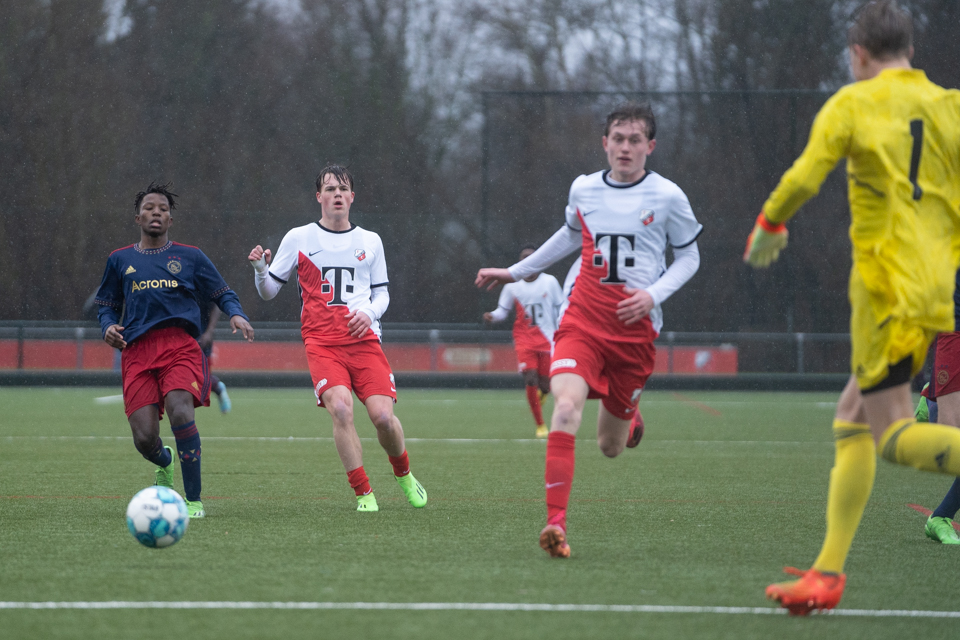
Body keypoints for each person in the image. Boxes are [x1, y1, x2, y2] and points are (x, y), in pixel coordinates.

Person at [743, 1, 960, 614]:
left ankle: (828, 576)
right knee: (851, 419)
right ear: (911, 51)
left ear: (857, 52)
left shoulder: (853, 103)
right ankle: (828, 573)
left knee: (890, 435)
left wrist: (769, 224)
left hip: (885, 292)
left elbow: (806, 174)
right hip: (933, 287)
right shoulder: (950, 106)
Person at [476, 102, 702, 558]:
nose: (625, 147)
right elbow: (566, 236)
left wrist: (654, 295)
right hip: (581, 322)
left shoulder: (668, 197)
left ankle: (630, 418)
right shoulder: (584, 189)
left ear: (650, 147)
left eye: (635, 139)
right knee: (564, 409)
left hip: (635, 335)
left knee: (610, 446)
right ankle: (555, 525)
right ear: (604, 143)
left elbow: (690, 258)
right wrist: (514, 272)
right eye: (618, 138)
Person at [247, 164, 427, 512]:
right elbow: (269, 291)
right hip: (322, 344)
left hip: (364, 342)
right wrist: (259, 270)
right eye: (330, 189)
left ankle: (403, 474)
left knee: (383, 419)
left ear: (353, 197)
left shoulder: (370, 240)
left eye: (343, 189)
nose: (337, 194)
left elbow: (383, 295)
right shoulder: (298, 238)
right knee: (341, 410)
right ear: (319, 197)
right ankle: (364, 494)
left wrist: (370, 313)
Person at [95, 182, 255, 519]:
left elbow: (222, 291)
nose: (157, 212)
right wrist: (108, 326)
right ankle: (164, 461)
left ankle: (193, 500)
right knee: (143, 439)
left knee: (181, 411)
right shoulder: (119, 260)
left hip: (180, 347)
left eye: (163, 209)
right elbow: (106, 305)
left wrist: (237, 313)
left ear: (170, 220)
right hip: (137, 352)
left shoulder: (190, 256)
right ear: (138, 217)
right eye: (150, 208)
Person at [483, 244, 564, 438]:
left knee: (545, 385)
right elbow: (503, 311)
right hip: (524, 339)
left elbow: (561, 308)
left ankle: (540, 396)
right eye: (523, 258)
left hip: (547, 340)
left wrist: (564, 330)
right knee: (530, 378)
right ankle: (541, 425)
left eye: (531, 257)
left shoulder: (550, 282)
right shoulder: (512, 285)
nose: (527, 260)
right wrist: (492, 316)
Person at [198, 302, 232, 413]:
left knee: (202, 378)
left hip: (200, 335)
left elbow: (216, 305)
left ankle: (217, 387)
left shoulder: (201, 285)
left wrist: (209, 332)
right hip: (180, 335)